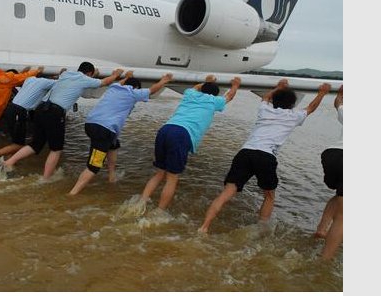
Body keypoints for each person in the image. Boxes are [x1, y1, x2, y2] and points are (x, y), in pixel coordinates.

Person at [198, 80, 332, 234]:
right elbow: (311, 108)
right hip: (266, 156)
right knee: (269, 196)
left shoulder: (265, 110)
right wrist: (323, 92)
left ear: (274, 100)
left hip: (245, 152)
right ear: (293, 104)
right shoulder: (294, 116)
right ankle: (261, 230)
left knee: (227, 192)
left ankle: (204, 226)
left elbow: (265, 98)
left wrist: (279, 87)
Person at [3, 63, 125, 179]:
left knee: (36, 144)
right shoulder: (84, 78)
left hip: (40, 109)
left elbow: (74, 77)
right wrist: (115, 74)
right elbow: (104, 82)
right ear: (89, 73)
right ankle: (46, 178)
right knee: (56, 149)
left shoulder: (66, 75)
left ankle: (9, 162)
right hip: (55, 113)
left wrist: (92, 75)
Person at [138, 75, 240, 212]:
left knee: (159, 173)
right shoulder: (214, 101)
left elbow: (196, 87)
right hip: (182, 134)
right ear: (215, 94)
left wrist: (208, 81)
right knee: (172, 178)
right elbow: (230, 96)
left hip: (165, 129)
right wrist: (236, 84)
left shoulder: (190, 94)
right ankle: (159, 212)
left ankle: (141, 203)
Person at [68, 71, 174, 198]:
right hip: (104, 130)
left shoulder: (114, 88)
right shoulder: (133, 93)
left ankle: (111, 177)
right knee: (94, 166)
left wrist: (127, 77)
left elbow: (122, 82)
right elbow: (151, 90)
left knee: (113, 144)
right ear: (136, 88)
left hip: (91, 125)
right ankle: (72, 193)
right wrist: (163, 81)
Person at [0, 69, 61, 167]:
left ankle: (6, 164)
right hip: (19, 112)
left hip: (12, 109)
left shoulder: (30, 79)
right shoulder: (46, 82)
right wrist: (61, 73)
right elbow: (62, 82)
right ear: (48, 78)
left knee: (16, 141)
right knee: (19, 144)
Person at [314, 85, 343, 260]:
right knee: (344, 216)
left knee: (340, 194)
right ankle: (324, 262)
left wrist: (341, 92)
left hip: (332, 155)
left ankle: (321, 230)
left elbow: (338, 103)